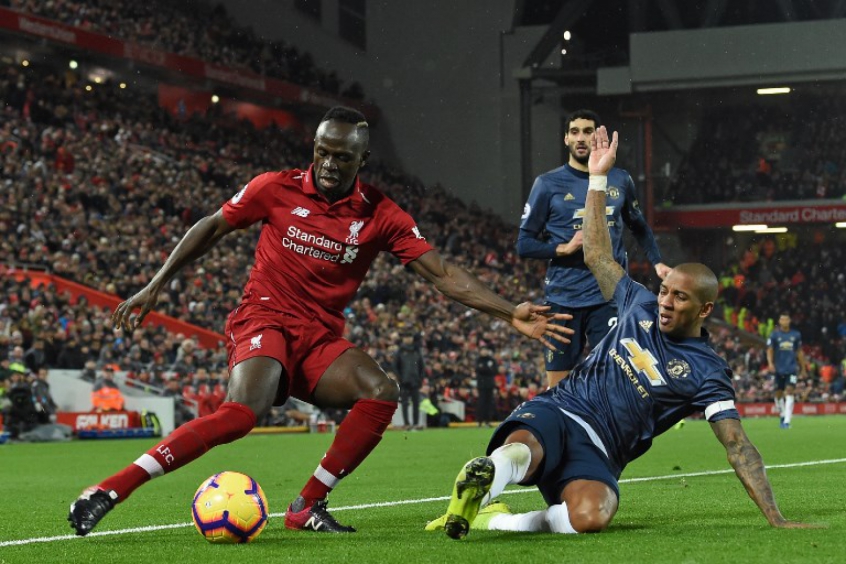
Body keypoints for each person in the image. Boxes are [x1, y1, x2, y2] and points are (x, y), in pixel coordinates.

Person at [67, 106, 572, 536]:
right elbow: (212, 226)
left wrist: (510, 313)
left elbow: (441, 274)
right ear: (314, 148)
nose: (330, 164)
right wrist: (156, 284)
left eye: (343, 157)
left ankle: (307, 504)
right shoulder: (274, 188)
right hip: (263, 315)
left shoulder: (380, 213)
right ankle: (111, 488)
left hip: (318, 337)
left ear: (362, 160)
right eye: (323, 152)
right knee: (244, 412)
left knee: (381, 391)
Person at [426, 125, 816, 539]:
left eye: (680, 299)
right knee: (523, 450)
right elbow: (596, 253)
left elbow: (737, 446)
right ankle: (487, 477)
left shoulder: (708, 373)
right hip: (559, 411)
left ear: (704, 309)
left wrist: (776, 516)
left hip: (600, 451)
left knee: (592, 516)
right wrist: (598, 179)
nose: (665, 301)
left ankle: (495, 516)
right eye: (665, 291)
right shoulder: (638, 301)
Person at [517, 109, 671, 389]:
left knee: (616, 379)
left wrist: (657, 262)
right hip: (563, 298)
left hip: (608, 295)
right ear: (565, 138)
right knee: (557, 388)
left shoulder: (620, 180)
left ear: (596, 137)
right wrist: (563, 248)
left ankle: (613, 431)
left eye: (588, 131)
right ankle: (563, 431)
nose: (581, 138)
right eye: (574, 131)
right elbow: (524, 244)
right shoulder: (547, 184)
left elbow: (638, 225)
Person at [766, 313, 807, 429]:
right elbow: (769, 350)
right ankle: (782, 414)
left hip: (791, 368)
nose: (784, 321)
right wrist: (770, 363)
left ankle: (787, 421)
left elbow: (799, 352)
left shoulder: (796, 335)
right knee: (778, 394)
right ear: (779, 321)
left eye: (786, 319)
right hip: (778, 368)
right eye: (782, 319)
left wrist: (803, 368)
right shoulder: (774, 335)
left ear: (789, 321)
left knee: (789, 391)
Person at [392, 331, 426, 430]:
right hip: (404, 381)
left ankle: (415, 423)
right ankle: (407, 423)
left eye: (410, 336)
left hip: (415, 380)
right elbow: (395, 366)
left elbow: (421, 366)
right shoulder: (400, 351)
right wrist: (400, 378)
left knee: (416, 403)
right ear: (403, 339)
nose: (408, 339)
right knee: (405, 403)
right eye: (406, 337)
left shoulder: (417, 350)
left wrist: (421, 379)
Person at [474, 347, 497, 427]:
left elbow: (495, 371)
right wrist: (488, 369)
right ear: (480, 351)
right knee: (481, 403)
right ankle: (479, 421)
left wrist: (484, 369)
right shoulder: (478, 360)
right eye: (483, 350)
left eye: (486, 350)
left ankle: (488, 421)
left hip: (490, 385)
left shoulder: (491, 360)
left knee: (489, 403)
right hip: (481, 385)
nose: (484, 352)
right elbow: (478, 369)